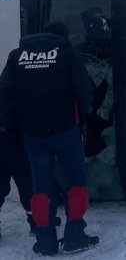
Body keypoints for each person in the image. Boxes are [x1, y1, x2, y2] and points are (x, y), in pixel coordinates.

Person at [0, 22, 99, 255]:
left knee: (40, 188)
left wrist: (14, 127)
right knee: (75, 183)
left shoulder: (17, 57)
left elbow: (4, 94)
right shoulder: (68, 54)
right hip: (66, 130)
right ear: (62, 37)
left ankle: (45, 242)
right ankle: (74, 236)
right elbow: (84, 91)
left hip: (33, 134)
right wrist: (85, 117)